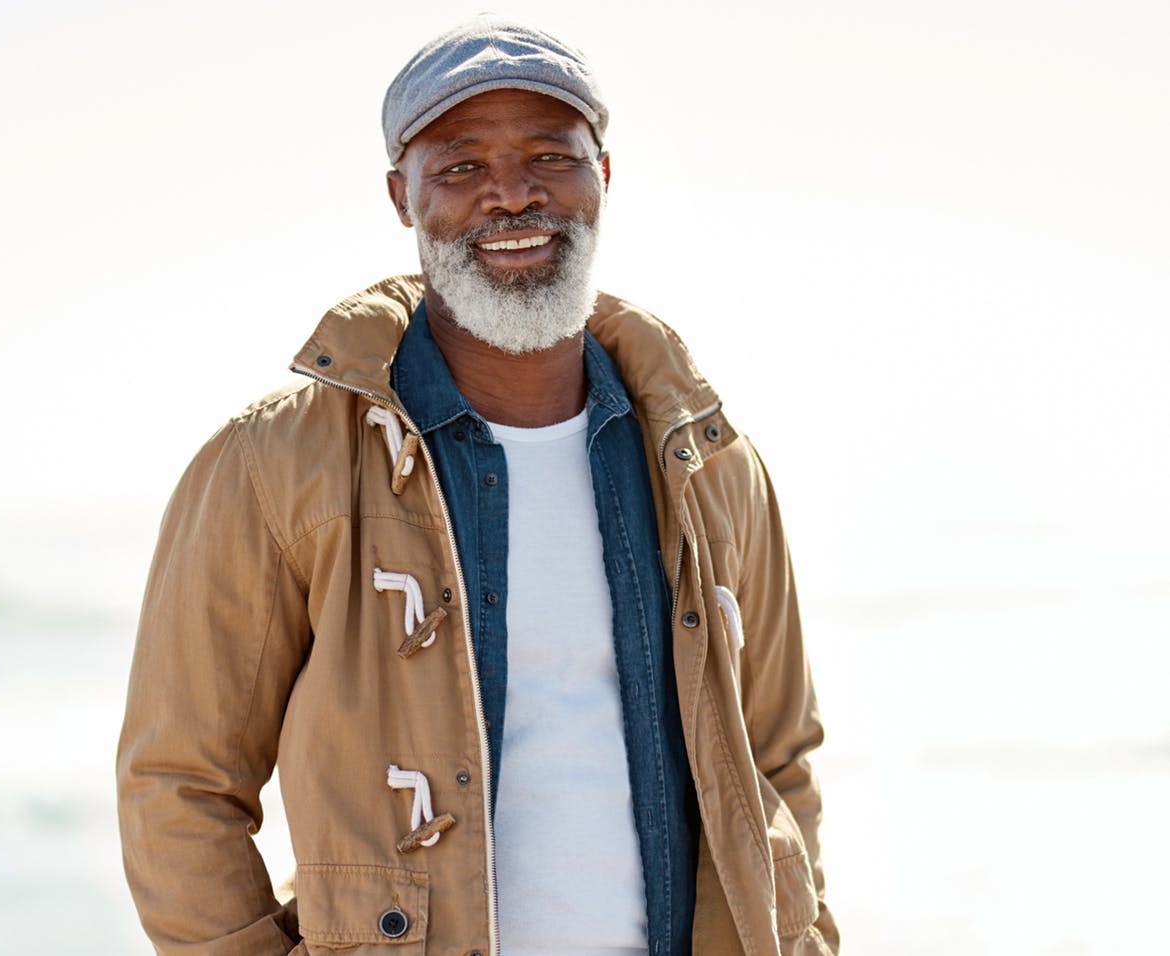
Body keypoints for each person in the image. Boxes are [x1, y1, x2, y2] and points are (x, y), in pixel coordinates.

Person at [118, 16, 837, 956]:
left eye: (551, 155)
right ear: (400, 196)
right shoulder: (272, 463)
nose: (512, 194)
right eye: (460, 167)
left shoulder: (708, 461)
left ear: (604, 177)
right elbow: (180, 783)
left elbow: (777, 762)